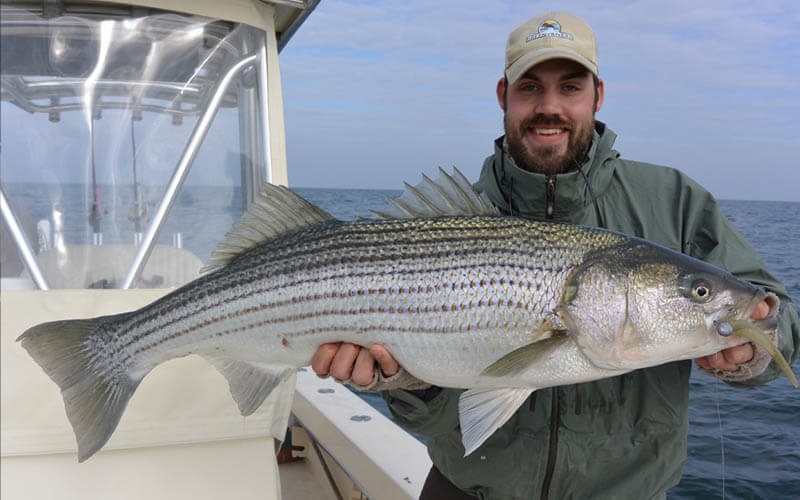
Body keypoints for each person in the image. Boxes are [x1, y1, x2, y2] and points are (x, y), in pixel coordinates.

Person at [311, 12, 800, 500]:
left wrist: (754, 349)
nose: (550, 107)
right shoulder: (457, 214)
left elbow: (773, 311)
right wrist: (404, 382)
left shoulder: (674, 201)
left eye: (570, 87)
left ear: (597, 95)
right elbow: (435, 409)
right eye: (529, 88)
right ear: (503, 95)